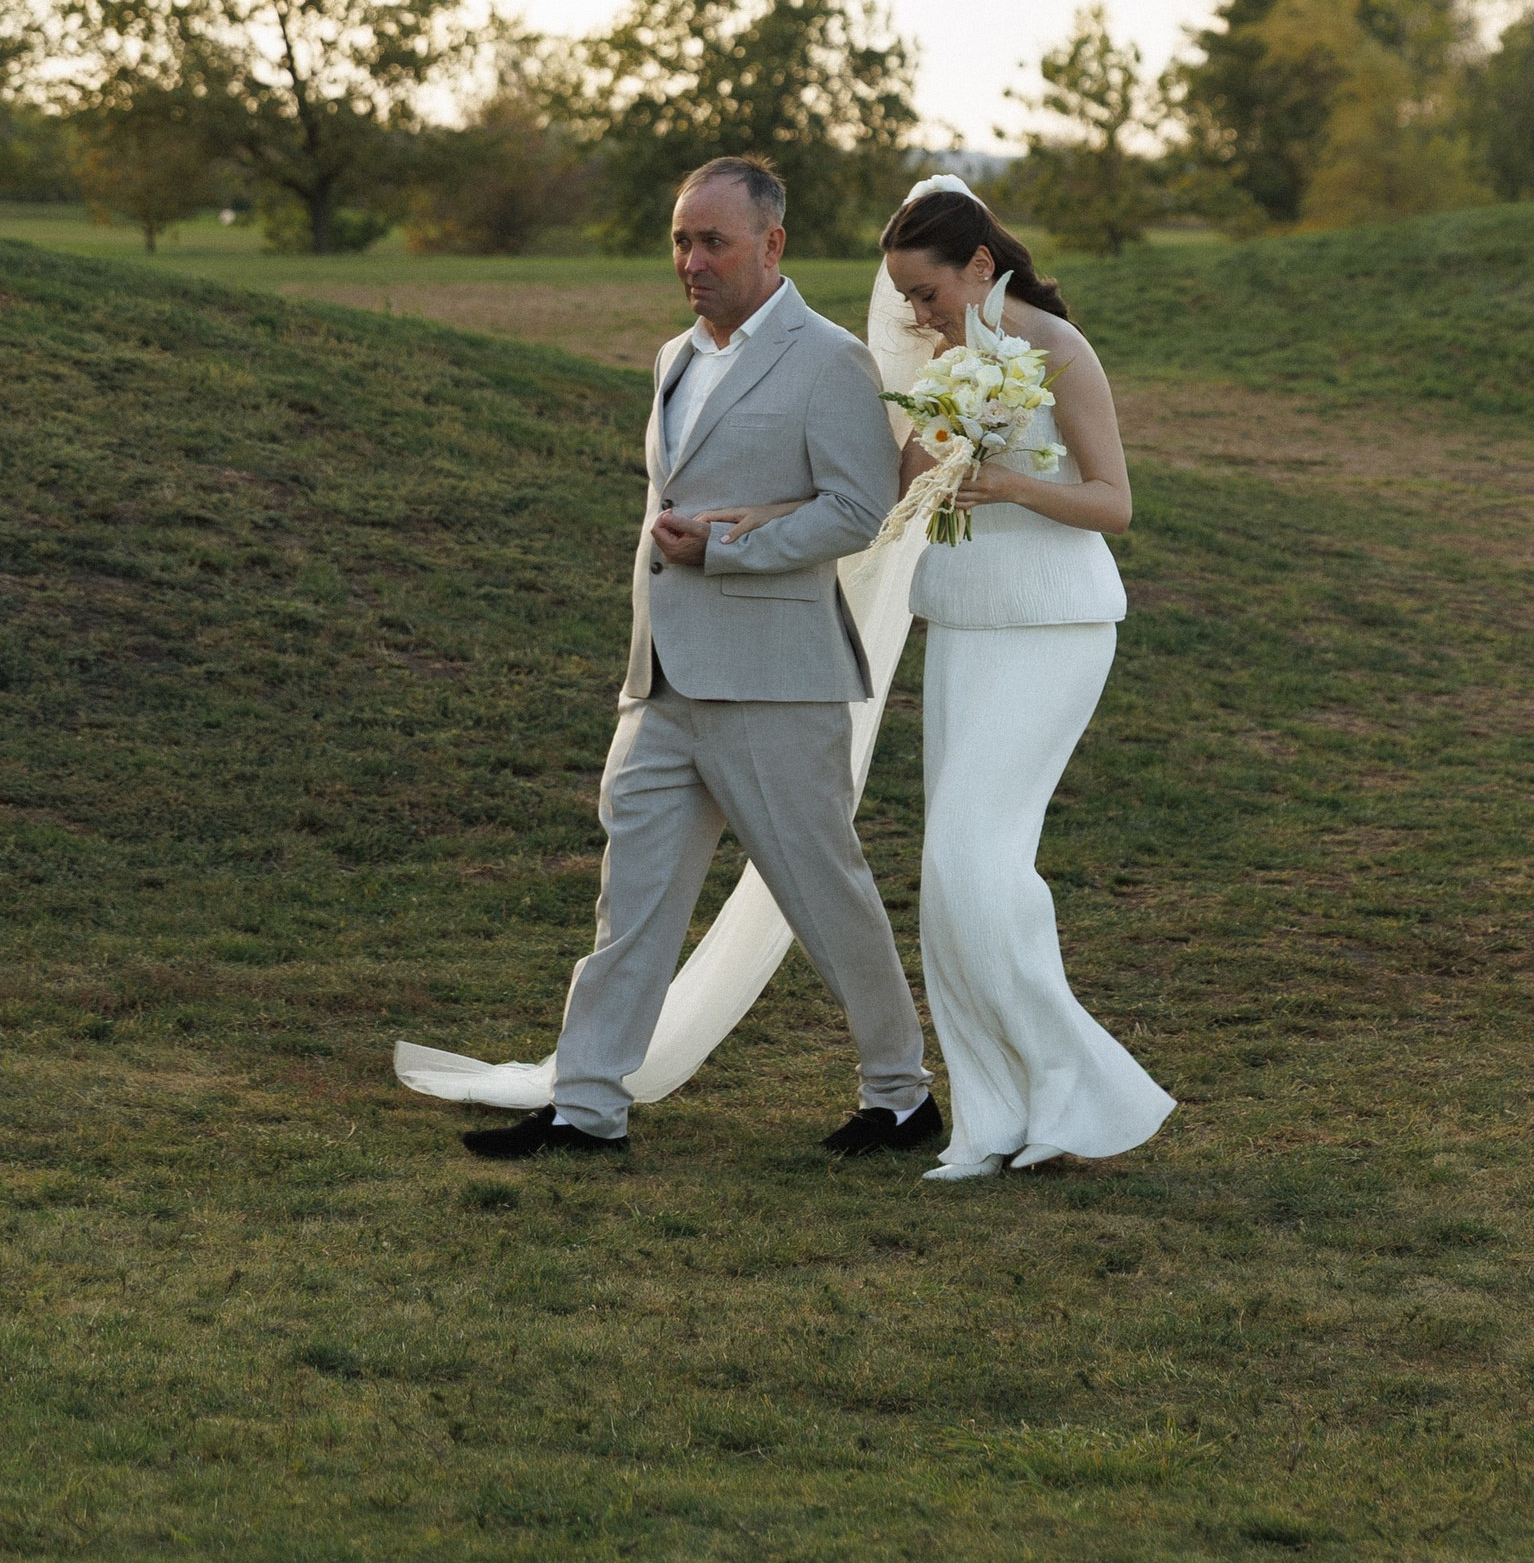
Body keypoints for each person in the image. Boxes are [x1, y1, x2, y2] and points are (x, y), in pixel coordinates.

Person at [461, 156, 939, 1163]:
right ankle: (587, 1105)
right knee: (628, 902)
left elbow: (859, 510)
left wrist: (725, 546)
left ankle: (900, 1095)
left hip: (775, 680)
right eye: (681, 239)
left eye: (711, 240)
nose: (691, 260)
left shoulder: (829, 360)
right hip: (662, 681)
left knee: (823, 894)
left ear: (771, 244)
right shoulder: (673, 355)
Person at [874, 178, 1175, 1182]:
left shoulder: (1058, 348)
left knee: (976, 861)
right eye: (907, 300)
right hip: (964, 622)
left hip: (1055, 623)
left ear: (976, 265)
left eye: (927, 293)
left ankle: (1080, 1087)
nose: (918, 314)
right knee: (948, 881)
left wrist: (1007, 480)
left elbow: (1113, 502)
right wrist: (937, 421)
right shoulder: (953, 353)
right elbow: (913, 478)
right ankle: (993, 1115)